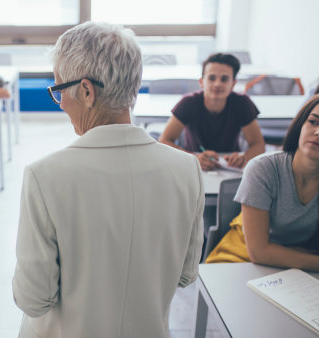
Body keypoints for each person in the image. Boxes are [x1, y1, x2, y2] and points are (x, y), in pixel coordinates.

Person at [12, 22, 204, 337]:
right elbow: (185, 276)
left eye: (59, 90)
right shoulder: (187, 169)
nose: (60, 102)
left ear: (86, 91)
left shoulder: (44, 176)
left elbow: (33, 300)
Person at [206, 91, 319, 274]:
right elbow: (258, 252)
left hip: (301, 268)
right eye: (313, 122)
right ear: (300, 126)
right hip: (241, 259)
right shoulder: (264, 168)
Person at [159, 53, 265, 171]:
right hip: (193, 164)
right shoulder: (188, 103)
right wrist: (193, 158)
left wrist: (244, 157)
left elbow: (258, 145)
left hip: (230, 166)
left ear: (233, 84)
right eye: (211, 78)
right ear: (201, 82)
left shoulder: (242, 103)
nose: (217, 84)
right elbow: (164, 141)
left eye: (224, 79)